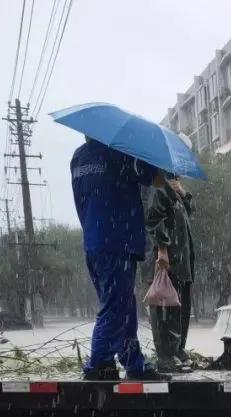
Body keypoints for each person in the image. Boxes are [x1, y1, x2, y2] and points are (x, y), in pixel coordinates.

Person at [70, 137, 165, 380]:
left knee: (123, 306)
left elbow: (81, 200)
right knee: (115, 307)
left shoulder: (79, 158)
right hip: (117, 240)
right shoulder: (118, 153)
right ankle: (99, 362)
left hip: (95, 240)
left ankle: (133, 361)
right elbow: (153, 177)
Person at [145, 170, 195, 373]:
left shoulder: (174, 191)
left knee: (181, 307)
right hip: (168, 260)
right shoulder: (158, 188)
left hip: (183, 261)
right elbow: (153, 220)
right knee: (166, 308)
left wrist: (182, 193)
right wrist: (162, 250)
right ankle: (166, 355)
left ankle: (178, 349)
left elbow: (190, 211)